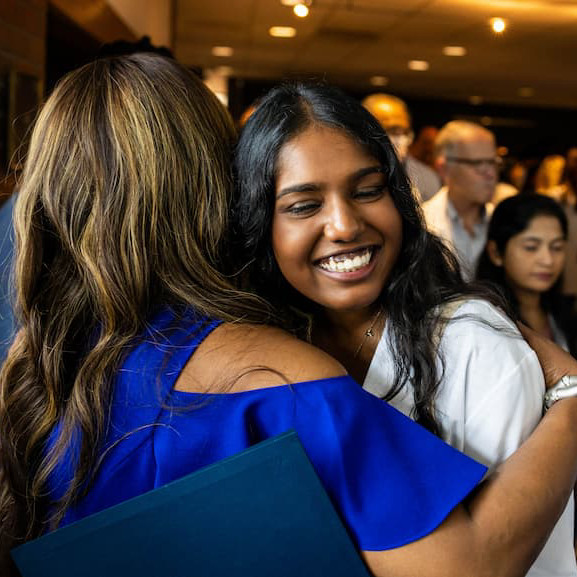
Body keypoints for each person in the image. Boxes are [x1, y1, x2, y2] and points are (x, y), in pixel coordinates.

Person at [2, 55, 577, 577]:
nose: (343, 224)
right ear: (221, 189)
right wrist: (572, 401)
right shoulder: (276, 376)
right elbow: (466, 566)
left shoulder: (34, 370)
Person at [234, 82, 577, 577]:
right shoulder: (255, 349)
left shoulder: (472, 346)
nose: (345, 225)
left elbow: (525, 559)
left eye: (367, 191)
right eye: (305, 205)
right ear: (259, 223)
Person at [477, 193, 577, 358]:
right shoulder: (486, 322)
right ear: (496, 253)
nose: (548, 260)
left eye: (557, 247)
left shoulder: (565, 314)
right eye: (531, 247)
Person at [423, 120, 499, 280]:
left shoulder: (500, 221)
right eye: (478, 164)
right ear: (444, 169)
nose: (491, 174)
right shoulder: (421, 223)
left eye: (492, 163)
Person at [361, 93, 441, 202]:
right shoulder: (346, 171)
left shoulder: (426, 178)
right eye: (392, 130)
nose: (401, 139)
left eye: (405, 132)